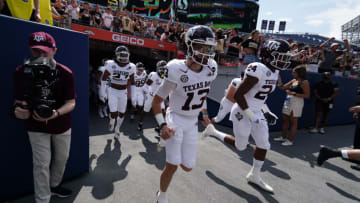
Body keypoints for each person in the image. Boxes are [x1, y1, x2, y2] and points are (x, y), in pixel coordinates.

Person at [203, 39, 293, 193]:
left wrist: (266, 111)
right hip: (242, 111)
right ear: (268, 55)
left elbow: (259, 97)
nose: (284, 60)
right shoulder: (257, 68)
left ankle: (254, 175)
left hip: (256, 112)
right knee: (240, 146)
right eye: (281, 56)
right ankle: (214, 132)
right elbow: (238, 95)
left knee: (263, 144)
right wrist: (251, 115)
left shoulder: (275, 71)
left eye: (285, 57)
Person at [152, 25, 217, 203]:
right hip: (176, 118)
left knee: (188, 166)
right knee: (172, 164)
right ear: (188, 46)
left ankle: (171, 145)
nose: (205, 52)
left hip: (192, 122)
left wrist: (204, 115)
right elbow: (157, 101)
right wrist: (163, 125)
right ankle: (162, 196)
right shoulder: (175, 68)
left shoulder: (212, 68)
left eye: (208, 48)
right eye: (200, 47)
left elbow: (202, 95)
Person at [13, 32, 76, 203]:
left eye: (44, 52)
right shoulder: (21, 71)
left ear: (54, 50)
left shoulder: (65, 73)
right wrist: (19, 111)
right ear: (30, 50)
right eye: (36, 51)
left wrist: (55, 113)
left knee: (62, 159)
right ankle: (42, 199)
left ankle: (54, 185)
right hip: (35, 127)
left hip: (61, 125)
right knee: (41, 164)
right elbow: (18, 102)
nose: (40, 56)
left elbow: (71, 102)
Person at [100, 45, 136, 139]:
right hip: (112, 90)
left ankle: (117, 129)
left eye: (125, 55)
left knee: (122, 113)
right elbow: (103, 79)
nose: (123, 57)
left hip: (123, 91)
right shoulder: (111, 64)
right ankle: (111, 120)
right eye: (121, 55)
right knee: (114, 113)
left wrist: (134, 95)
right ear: (116, 55)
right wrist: (102, 92)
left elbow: (132, 82)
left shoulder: (131, 66)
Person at [274, 65, 310, 146]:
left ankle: (290, 140)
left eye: (294, 72)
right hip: (288, 100)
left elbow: (307, 95)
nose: (292, 73)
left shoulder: (305, 82)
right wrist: (279, 79)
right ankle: (283, 137)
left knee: (293, 121)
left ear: (299, 73)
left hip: (297, 101)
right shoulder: (293, 80)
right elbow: (282, 87)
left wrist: (293, 93)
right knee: (285, 118)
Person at [143, 60, 167, 131]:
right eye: (162, 68)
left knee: (163, 111)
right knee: (145, 110)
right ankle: (141, 122)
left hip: (159, 96)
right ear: (158, 68)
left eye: (164, 69)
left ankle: (159, 126)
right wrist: (150, 93)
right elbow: (145, 86)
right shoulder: (153, 75)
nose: (163, 70)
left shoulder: (167, 76)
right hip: (151, 95)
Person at [131, 62, 148, 131]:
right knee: (133, 103)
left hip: (140, 89)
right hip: (134, 89)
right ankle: (132, 116)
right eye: (139, 69)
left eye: (141, 69)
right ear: (136, 69)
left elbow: (145, 80)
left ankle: (137, 110)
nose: (140, 70)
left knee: (141, 105)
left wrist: (144, 87)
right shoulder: (133, 73)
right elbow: (130, 82)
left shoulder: (144, 73)